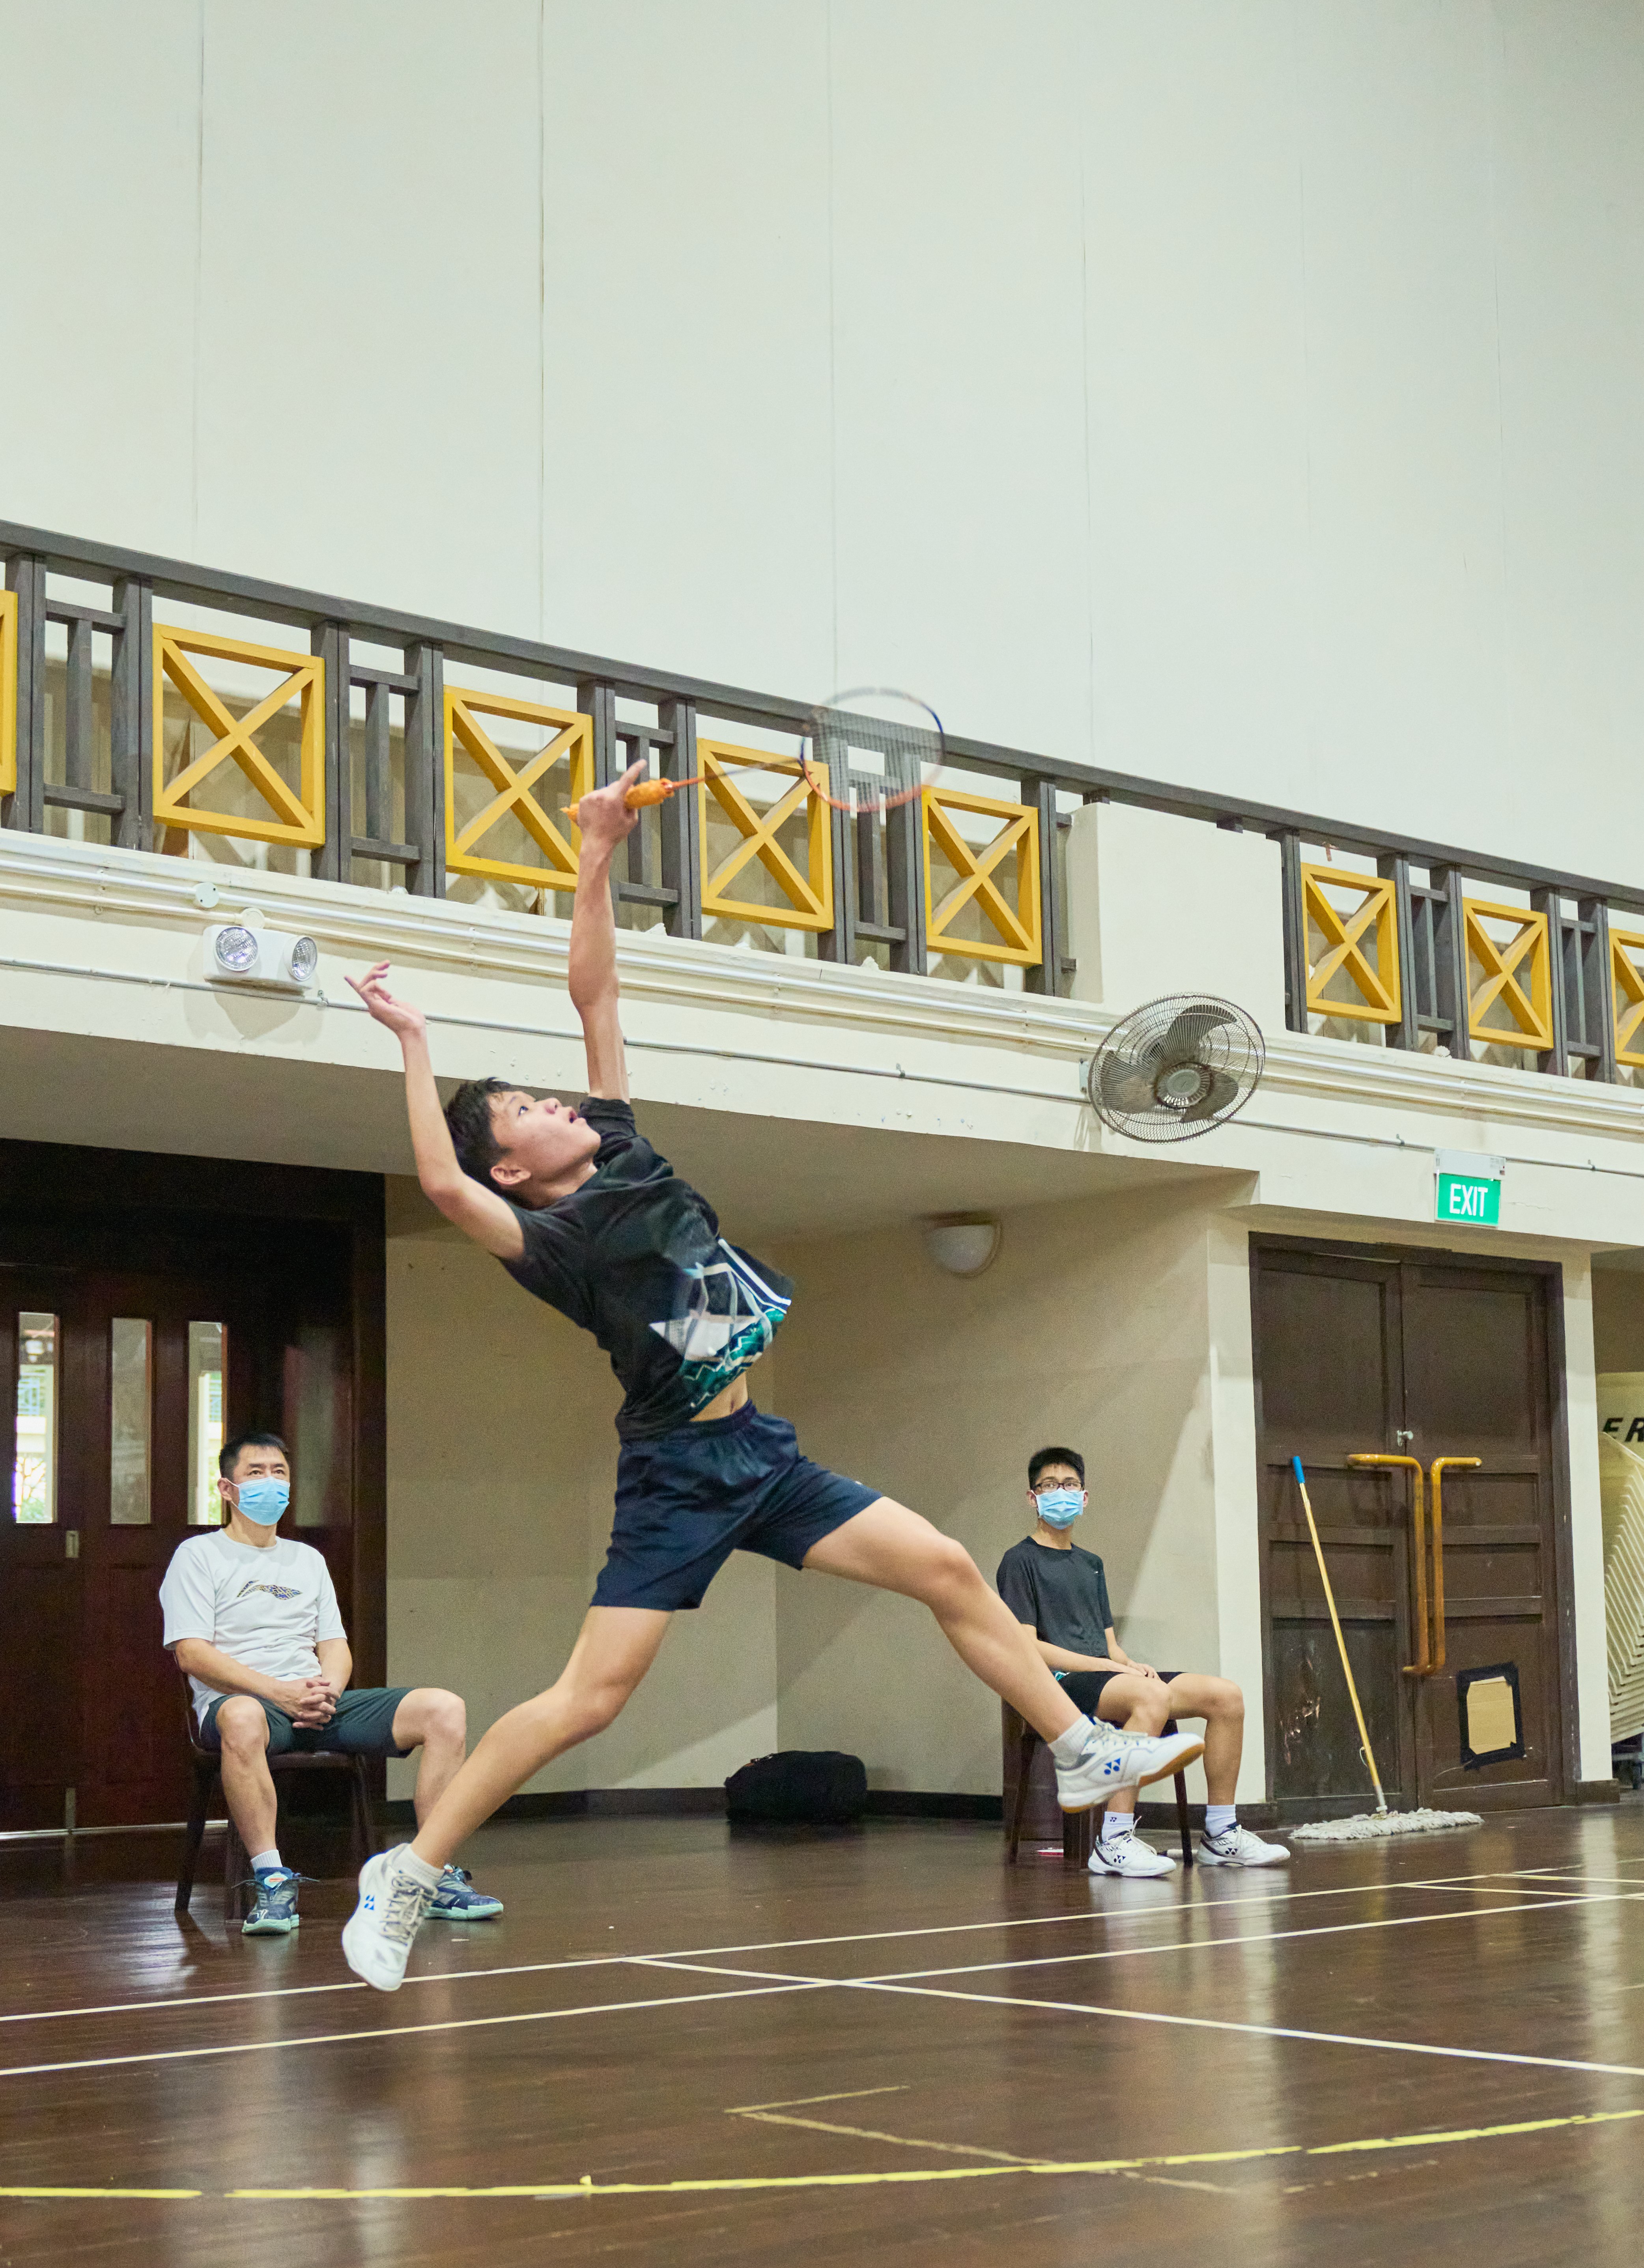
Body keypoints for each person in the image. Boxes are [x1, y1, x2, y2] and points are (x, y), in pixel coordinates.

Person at [339, 760, 1205, 1991]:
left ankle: (1076, 1747)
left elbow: (597, 986)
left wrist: (595, 849)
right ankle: (411, 1872)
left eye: (544, 1091)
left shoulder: (623, 1144)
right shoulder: (553, 1244)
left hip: (764, 1454)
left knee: (951, 1569)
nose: (555, 1099)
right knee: (587, 1701)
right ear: (514, 1170)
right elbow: (437, 1184)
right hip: (679, 1475)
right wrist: (417, 1046)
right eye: (527, 1106)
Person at [159, 1431, 503, 1934]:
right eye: (256, 1473)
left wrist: (328, 1693)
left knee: (444, 1708)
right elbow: (192, 1654)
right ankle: (272, 1880)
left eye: (280, 1473)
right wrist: (278, 1693)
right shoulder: (198, 1555)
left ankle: (429, 1875)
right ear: (227, 1489)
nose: (270, 1483)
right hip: (249, 1707)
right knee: (242, 1714)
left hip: (316, 1702)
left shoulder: (308, 1560)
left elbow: (334, 1647)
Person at [997, 1448, 1288, 1877]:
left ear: (1085, 1496)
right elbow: (1027, 1648)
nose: (1062, 1493)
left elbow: (1109, 1646)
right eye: (1049, 1485)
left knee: (1225, 1696)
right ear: (1032, 1497)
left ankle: (1221, 1833)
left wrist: (1129, 1665)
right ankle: (1112, 1841)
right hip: (1058, 1684)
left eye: (1070, 1485)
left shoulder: (1090, 1564)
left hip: (1104, 1677)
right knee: (1149, 1699)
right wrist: (1109, 1670)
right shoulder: (1019, 1561)